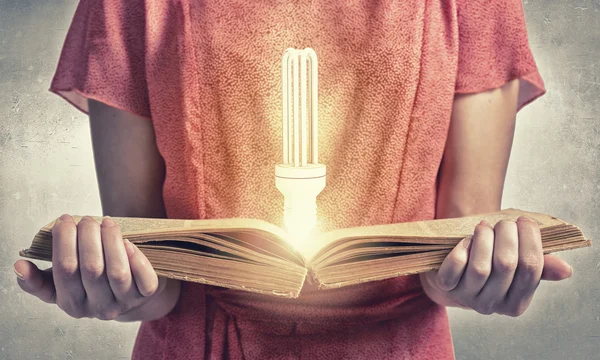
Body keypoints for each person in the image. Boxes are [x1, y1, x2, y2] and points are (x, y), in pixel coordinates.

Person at [14, 0, 574, 359]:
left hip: (397, 348)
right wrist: (110, 281)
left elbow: (452, 246)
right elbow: (155, 263)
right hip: (197, 346)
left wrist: (484, 271)